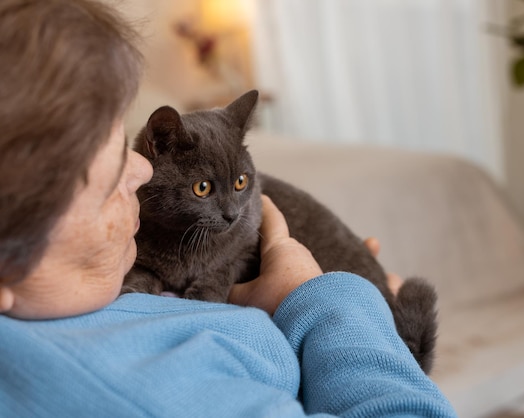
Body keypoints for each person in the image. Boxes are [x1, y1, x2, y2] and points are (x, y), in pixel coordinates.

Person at [0, 0, 457, 416]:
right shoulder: (134, 390)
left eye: (123, 147)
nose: (140, 171)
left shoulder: (61, 301)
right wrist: (330, 305)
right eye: (107, 185)